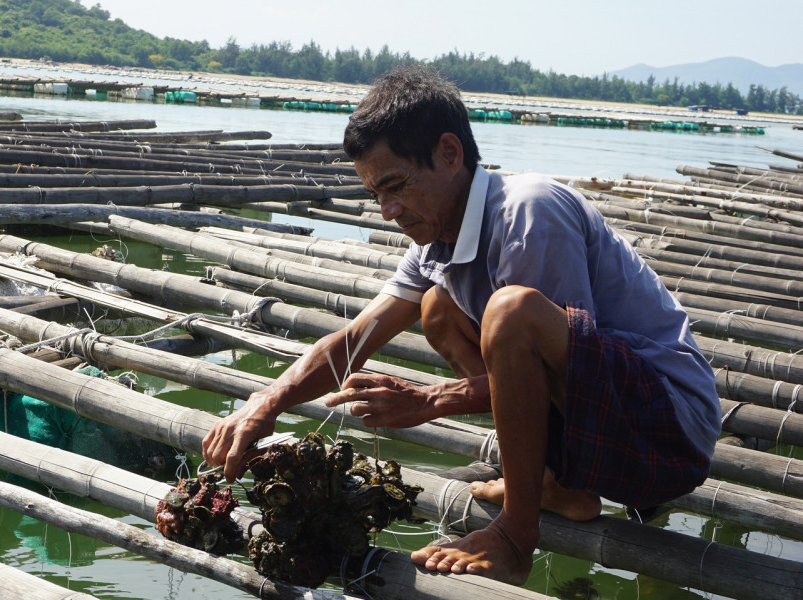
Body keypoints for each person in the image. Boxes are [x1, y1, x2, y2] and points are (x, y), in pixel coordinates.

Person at [201, 64, 720, 585]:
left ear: (450, 154)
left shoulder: (528, 211)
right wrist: (264, 403)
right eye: (376, 194)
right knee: (437, 308)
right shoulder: (432, 243)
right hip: (602, 424)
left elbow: (559, 365)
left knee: (511, 312)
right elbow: (354, 340)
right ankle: (555, 483)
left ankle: (517, 536)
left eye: (396, 186)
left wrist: (433, 400)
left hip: (668, 433)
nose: (387, 210)